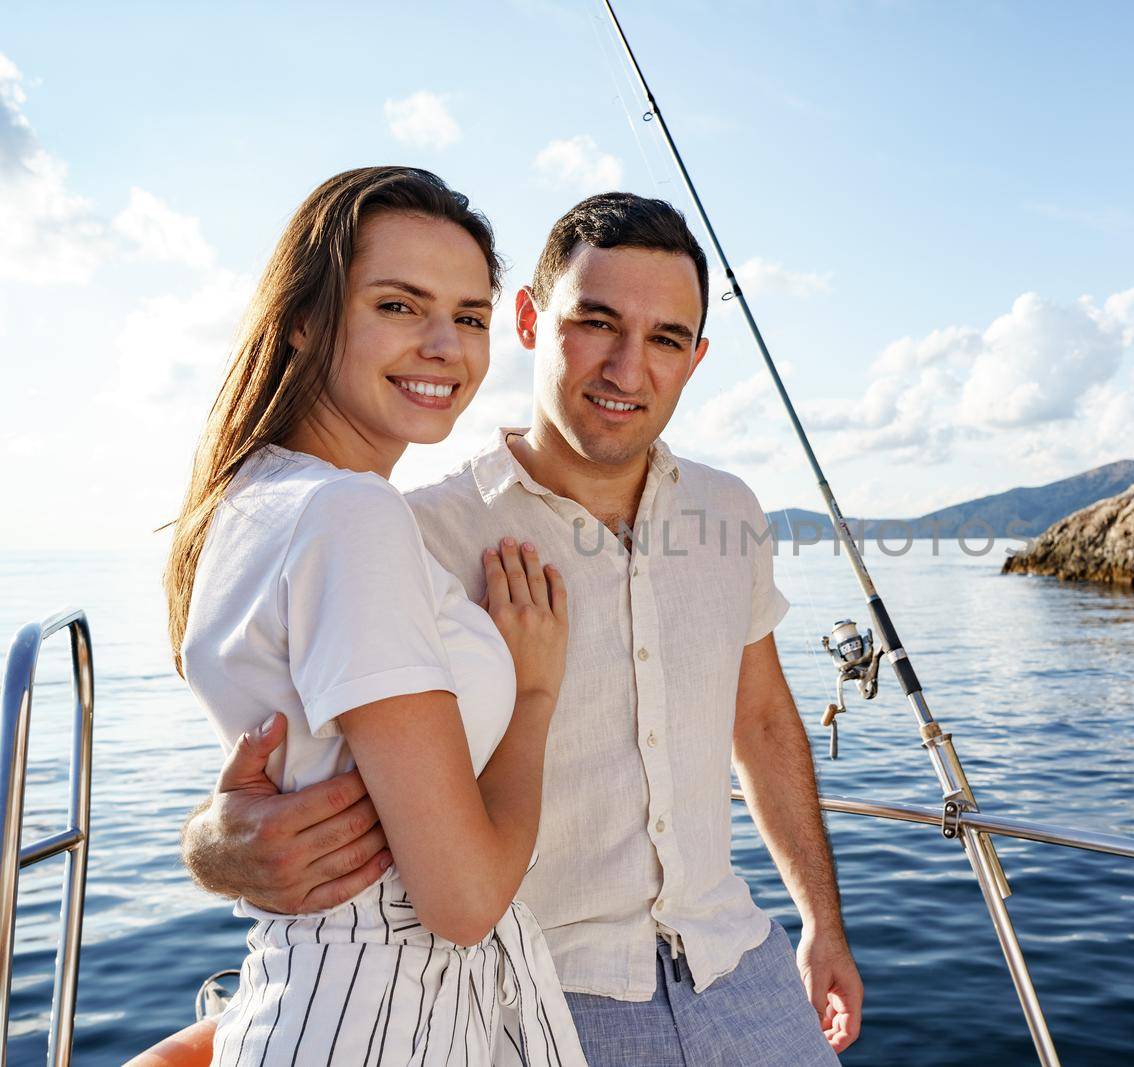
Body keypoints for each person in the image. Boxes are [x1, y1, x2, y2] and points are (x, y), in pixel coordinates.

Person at [182, 193, 863, 1065]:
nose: (627, 367)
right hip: (537, 996)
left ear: (695, 359)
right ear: (534, 321)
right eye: (598, 323)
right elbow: (276, 739)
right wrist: (209, 846)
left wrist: (821, 924)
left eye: (664, 339)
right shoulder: (417, 528)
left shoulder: (731, 510)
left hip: (739, 962)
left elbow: (763, 721)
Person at [166, 166, 587, 1066]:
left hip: (314, 997)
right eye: (400, 305)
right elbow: (463, 900)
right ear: (308, 319)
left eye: (470, 317)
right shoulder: (351, 515)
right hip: (390, 1023)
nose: (446, 345)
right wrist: (538, 690)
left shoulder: (247, 500)